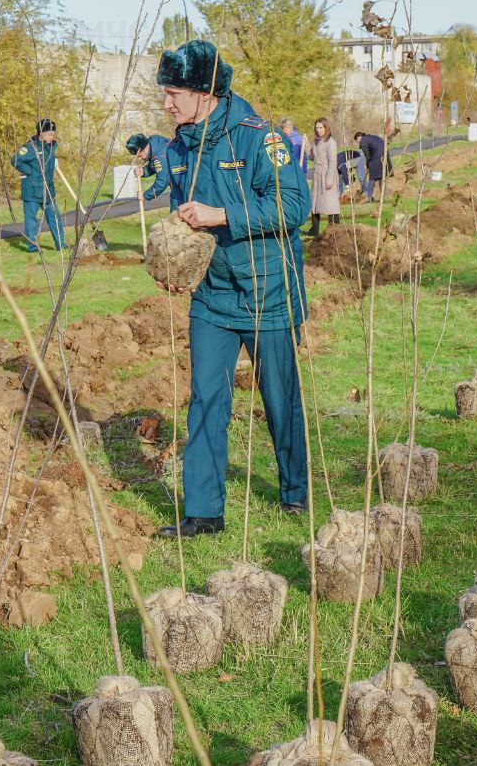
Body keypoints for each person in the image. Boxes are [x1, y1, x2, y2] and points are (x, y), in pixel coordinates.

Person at [152, 40, 310, 538]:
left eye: (174, 93)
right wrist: (178, 262)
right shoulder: (181, 146)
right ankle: (203, 512)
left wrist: (221, 215)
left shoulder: (258, 138)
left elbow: (294, 206)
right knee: (205, 399)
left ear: (205, 93)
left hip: (268, 291)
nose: (167, 103)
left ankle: (294, 492)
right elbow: (185, 217)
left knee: (279, 398)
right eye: (165, 93)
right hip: (213, 295)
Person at [10, 119, 65, 252]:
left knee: (55, 218)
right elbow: (15, 160)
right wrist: (30, 171)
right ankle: (33, 247)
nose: (52, 136)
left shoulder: (50, 147)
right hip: (32, 190)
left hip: (48, 189)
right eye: (49, 134)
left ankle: (61, 245)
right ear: (41, 133)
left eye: (53, 133)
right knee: (31, 220)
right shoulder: (30, 148)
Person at [308, 117, 339, 235]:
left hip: (327, 174)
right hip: (317, 174)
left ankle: (335, 230)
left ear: (326, 128)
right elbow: (312, 158)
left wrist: (329, 180)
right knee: (315, 203)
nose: (318, 130)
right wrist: (307, 146)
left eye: (321, 127)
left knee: (331, 203)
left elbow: (333, 162)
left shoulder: (331, 142)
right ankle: (314, 230)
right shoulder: (316, 142)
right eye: (316, 128)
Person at [125, 132, 173, 201]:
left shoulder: (160, 156)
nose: (140, 159)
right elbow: (157, 167)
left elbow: (162, 182)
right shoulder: (157, 147)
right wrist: (144, 171)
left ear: (144, 148)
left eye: (139, 155)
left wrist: (145, 195)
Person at [353, 130, 389, 202]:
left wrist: (367, 165)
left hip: (376, 157)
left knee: (372, 179)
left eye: (357, 140)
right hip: (383, 155)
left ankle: (369, 198)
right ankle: (383, 198)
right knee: (381, 177)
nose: (358, 142)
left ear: (359, 137)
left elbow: (367, 155)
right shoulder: (369, 138)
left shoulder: (363, 141)